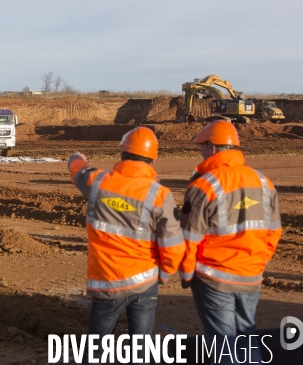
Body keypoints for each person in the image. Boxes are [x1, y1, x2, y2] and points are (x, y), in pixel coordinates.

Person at [68, 127, 185, 363]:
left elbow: (78, 171)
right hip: (144, 281)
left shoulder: (98, 182)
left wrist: (75, 157)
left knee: (98, 350)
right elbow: (173, 244)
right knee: (141, 351)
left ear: (122, 153)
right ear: (153, 158)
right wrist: (166, 273)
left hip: (106, 281)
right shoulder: (159, 194)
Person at [179, 120, 282, 364]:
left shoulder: (204, 185)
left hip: (214, 277)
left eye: (202, 148)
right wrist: (258, 262)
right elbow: (274, 231)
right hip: (251, 275)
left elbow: (189, 237)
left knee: (224, 345)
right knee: (247, 337)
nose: (201, 153)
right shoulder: (264, 183)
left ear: (212, 148)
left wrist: (186, 274)